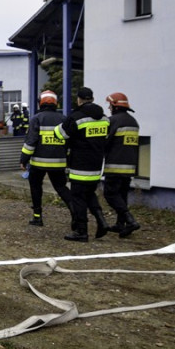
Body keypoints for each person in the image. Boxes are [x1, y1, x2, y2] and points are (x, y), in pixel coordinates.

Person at [54, 86, 110, 242]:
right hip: (97, 164)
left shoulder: (77, 117)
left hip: (80, 164)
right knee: (90, 193)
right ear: (91, 99)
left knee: (77, 196)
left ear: (79, 99)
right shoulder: (104, 118)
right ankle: (102, 221)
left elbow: (61, 134)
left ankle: (81, 231)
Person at [19, 90, 72, 227]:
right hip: (59, 163)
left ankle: (37, 217)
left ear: (40, 103)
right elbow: (69, 142)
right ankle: (76, 215)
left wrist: (23, 160)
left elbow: (30, 142)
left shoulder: (37, 118)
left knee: (36, 187)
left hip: (38, 163)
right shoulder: (64, 119)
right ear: (56, 103)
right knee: (61, 188)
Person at [103, 92, 141, 237]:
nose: (109, 108)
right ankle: (120, 224)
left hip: (115, 165)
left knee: (110, 194)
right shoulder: (133, 122)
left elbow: (106, 141)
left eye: (110, 105)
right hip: (130, 166)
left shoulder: (113, 121)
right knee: (122, 194)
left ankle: (130, 220)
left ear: (115, 106)